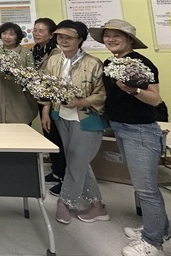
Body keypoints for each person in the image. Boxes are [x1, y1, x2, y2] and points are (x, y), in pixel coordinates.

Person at [90, 19, 171, 256]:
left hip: (140, 131)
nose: (110, 39)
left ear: (129, 39)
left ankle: (153, 243)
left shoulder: (141, 63)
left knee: (146, 189)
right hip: (121, 128)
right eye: (107, 35)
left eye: (116, 35)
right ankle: (161, 233)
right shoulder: (110, 63)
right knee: (143, 187)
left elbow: (155, 99)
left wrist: (134, 89)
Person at [41, 20, 108, 225]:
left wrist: (81, 102)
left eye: (69, 37)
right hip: (61, 116)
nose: (64, 41)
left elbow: (101, 94)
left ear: (80, 39)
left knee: (77, 162)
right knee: (77, 162)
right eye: (60, 37)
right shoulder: (53, 60)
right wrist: (46, 110)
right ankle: (97, 206)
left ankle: (65, 201)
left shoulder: (93, 63)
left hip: (87, 119)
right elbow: (47, 86)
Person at [33, 17, 67, 193]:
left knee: (58, 138)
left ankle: (64, 178)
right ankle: (56, 171)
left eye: (41, 31)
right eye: (35, 30)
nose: (36, 33)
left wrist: (46, 108)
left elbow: (53, 81)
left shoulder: (55, 53)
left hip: (53, 102)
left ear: (51, 34)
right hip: (41, 98)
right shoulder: (37, 50)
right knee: (50, 136)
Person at [0, 22, 37, 124]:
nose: (7, 37)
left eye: (11, 34)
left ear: (17, 36)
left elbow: (32, 75)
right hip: (1, 91)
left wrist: (18, 73)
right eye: (4, 33)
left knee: (22, 124)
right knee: (1, 124)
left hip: (20, 94)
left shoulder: (26, 53)